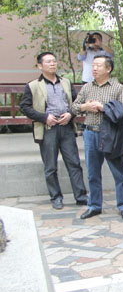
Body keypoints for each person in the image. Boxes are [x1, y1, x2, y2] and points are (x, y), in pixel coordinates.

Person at [19, 52, 88, 210]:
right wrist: (44, 117)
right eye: (48, 62)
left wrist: (70, 114)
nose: (52, 64)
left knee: (74, 163)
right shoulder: (33, 85)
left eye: (54, 61)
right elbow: (25, 107)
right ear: (40, 66)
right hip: (48, 128)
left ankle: (81, 195)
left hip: (66, 127)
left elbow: (76, 103)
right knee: (50, 166)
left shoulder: (65, 82)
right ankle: (56, 197)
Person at [72, 55, 123, 220]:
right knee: (92, 173)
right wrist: (86, 106)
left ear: (108, 69)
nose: (94, 68)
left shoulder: (117, 88)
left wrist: (103, 107)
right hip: (90, 133)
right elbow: (74, 107)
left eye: (98, 65)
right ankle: (94, 206)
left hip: (110, 134)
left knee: (118, 172)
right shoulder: (87, 87)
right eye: (93, 65)